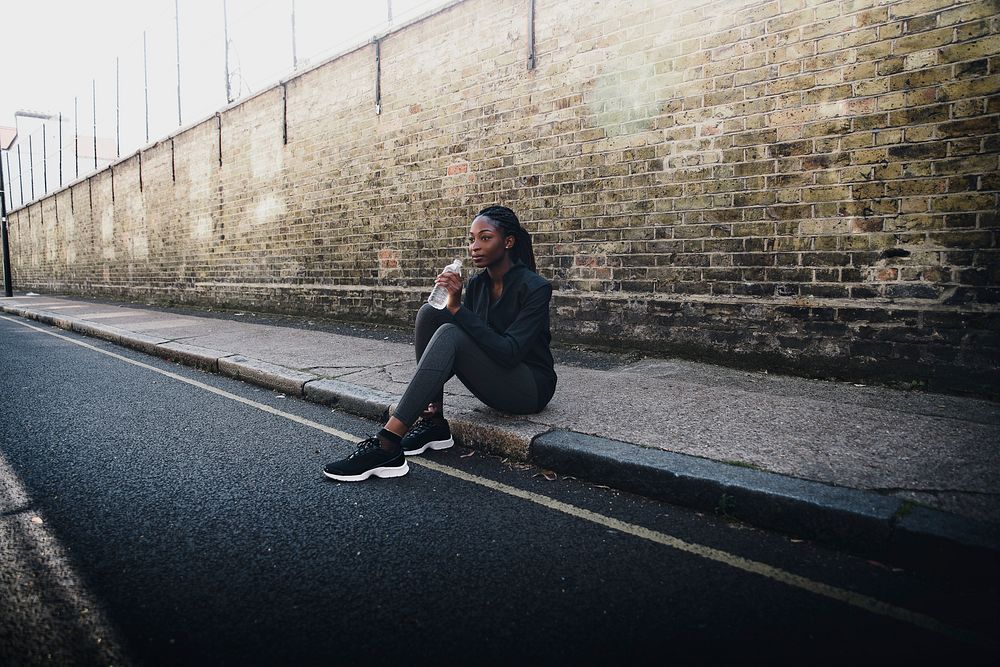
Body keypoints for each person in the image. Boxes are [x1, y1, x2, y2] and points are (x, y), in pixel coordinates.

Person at [323, 205, 557, 481]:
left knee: (450, 331)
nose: (474, 246)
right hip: (497, 379)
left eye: (485, 237)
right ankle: (434, 421)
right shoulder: (479, 284)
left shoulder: (535, 288)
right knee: (431, 313)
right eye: (471, 239)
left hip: (529, 388)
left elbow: (509, 352)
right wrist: (452, 307)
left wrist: (458, 309)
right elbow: (475, 338)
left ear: (508, 242)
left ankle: (388, 442)